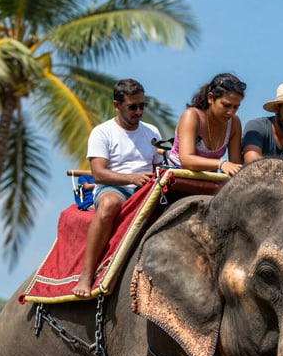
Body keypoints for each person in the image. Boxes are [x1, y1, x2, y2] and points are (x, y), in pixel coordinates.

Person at [72, 78, 163, 298]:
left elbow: (159, 166)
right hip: (115, 189)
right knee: (109, 204)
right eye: (133, 107)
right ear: (117, 105)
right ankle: (87, 274)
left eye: (142, 106)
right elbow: (98, 174)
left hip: (147, 190)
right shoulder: (102, 133)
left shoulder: (152, 132)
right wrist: (132, 179)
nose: (139, 111)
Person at [168, 73, 245, 176]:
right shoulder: (192, 116)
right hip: (178, 178)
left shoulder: (234, 123)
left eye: (235, 107)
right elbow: (186, 160)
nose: (231, 112)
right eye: (226, 105)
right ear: (210, 98)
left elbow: (235, 165)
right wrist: (220, 163)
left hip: (209, 181)